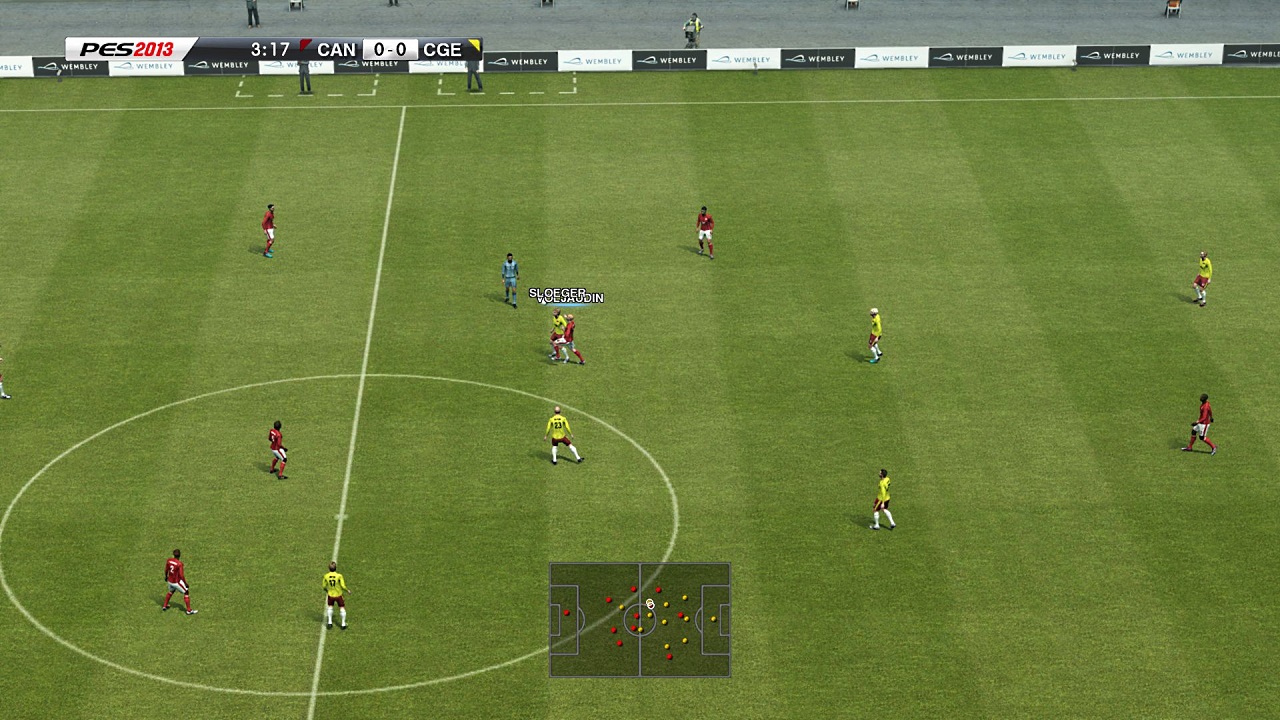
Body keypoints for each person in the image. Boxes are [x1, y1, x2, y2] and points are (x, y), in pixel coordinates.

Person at [163, 549, 198, 614]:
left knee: (171, 591)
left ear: (173, 554)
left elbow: (166, 570)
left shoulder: (169, 560)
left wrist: (166, 576)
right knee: (186, 592)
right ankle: (189, 610)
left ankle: (165, 606)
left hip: (170, 581)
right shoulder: (179, 564)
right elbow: (181, 575)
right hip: (176, 582)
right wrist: (185, 583)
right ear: (180, 555)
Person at [323, 561, 350, 630]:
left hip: (330, 595)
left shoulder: (326, 576)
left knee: (330, 607)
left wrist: (327, 591)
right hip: (338, 595)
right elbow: (343, 586)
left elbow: (323, 586)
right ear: (336, 568)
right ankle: (343, 624)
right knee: (342, 608)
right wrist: (347, 590)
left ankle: (329, 622)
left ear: (329, 568)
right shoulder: (339, 576)